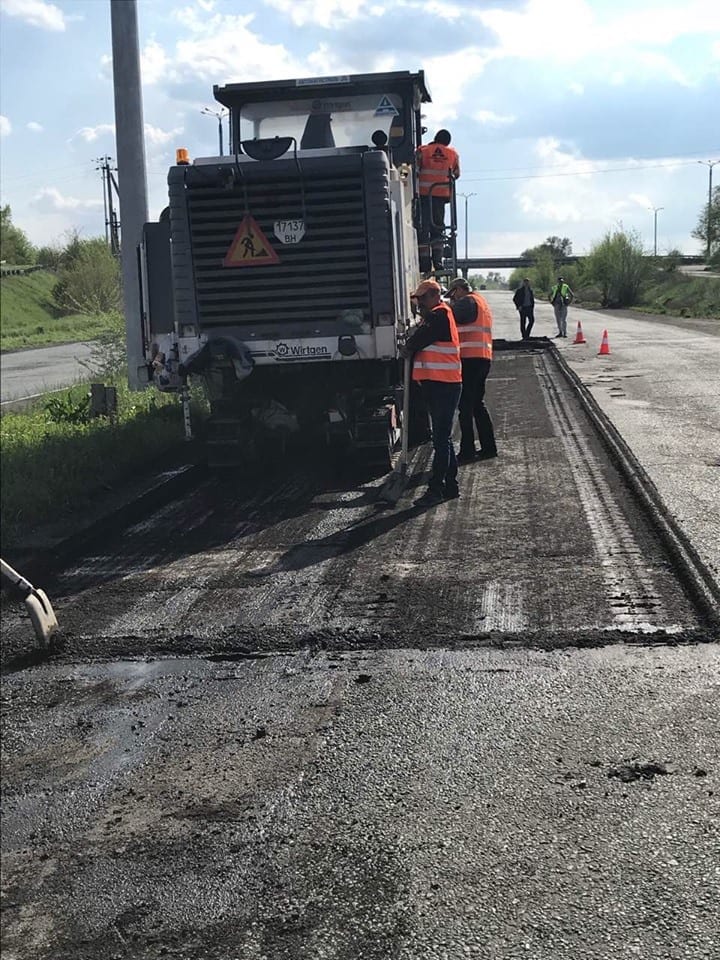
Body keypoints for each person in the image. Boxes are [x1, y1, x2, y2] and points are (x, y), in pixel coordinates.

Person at [401, 278, 462, 506]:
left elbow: (419, 339)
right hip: (440, 385)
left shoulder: (440, 315)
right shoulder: (435, 316)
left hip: (444, 386)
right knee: (442, 439)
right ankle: (451, 486)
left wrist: (407, 348)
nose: (421, 304)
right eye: (418, 300)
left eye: (423, 299)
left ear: (435, 296)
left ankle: (436, 489)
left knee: (440, 439)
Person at [446, 277, 497, 464]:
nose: (453, 299)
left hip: (471, 360)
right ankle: (489, 447)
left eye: (453, 294)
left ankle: (467, 451)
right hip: (482, 358)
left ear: (459, 289)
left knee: (465, 406)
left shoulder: (467, 302)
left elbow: (447, 315)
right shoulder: (480, 301)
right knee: (477, 404)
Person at [416, 130, 460, 274]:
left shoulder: (423, 151)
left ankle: (424, 263)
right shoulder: (452, 154)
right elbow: (457, 174)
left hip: (423, 196)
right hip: (440, 197)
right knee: (438, 228)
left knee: (423, 229)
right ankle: (438, 261)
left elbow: (414, 168)